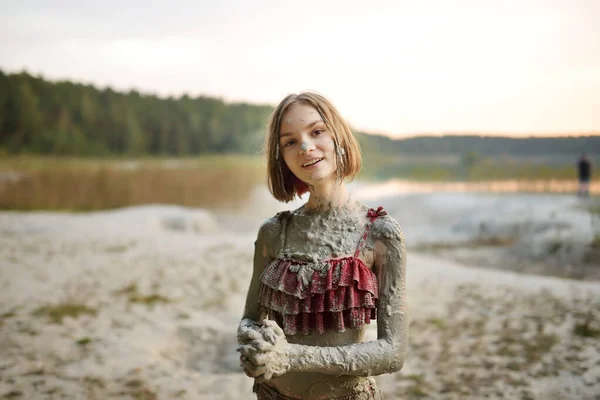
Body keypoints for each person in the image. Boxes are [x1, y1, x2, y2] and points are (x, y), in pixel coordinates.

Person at [237, 92, 408, 400]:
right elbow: (251, 318)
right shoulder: (274, 232)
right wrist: (254, 344)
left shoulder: (380, 233)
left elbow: (393, 352)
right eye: (290, 142)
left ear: (338, 138)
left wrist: (291, 357)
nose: (305, 147)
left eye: (316, 132)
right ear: (282, 158)